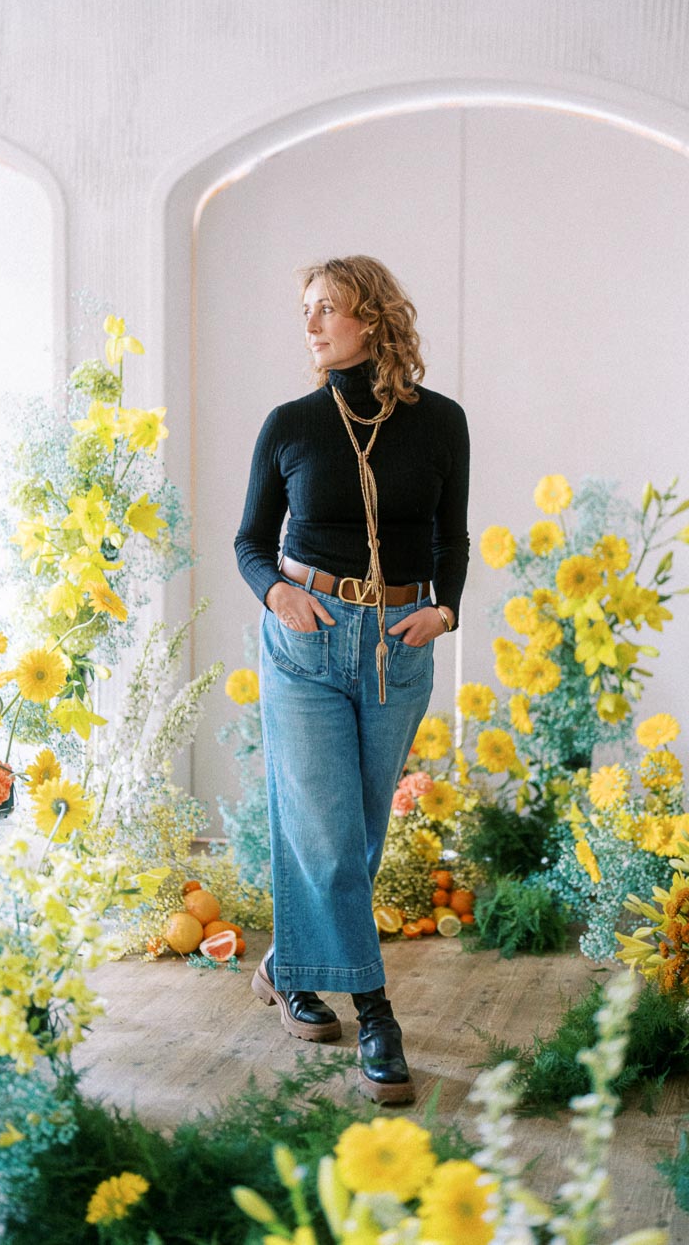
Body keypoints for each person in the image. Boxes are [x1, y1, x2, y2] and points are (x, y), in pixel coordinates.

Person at [234, 254, 469, 1104]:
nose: (310, 324)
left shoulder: (441, 423)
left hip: (399, 644)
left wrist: (446, 610)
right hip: (308, 639)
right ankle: (376, 1015)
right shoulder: (290, 425)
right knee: (326, 835)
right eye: (305, 309)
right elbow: (251, 541)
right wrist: (278, 595)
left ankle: (288, 966)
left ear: (371, 317)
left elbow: (451, 536)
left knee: (359, 836)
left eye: (325, 308)